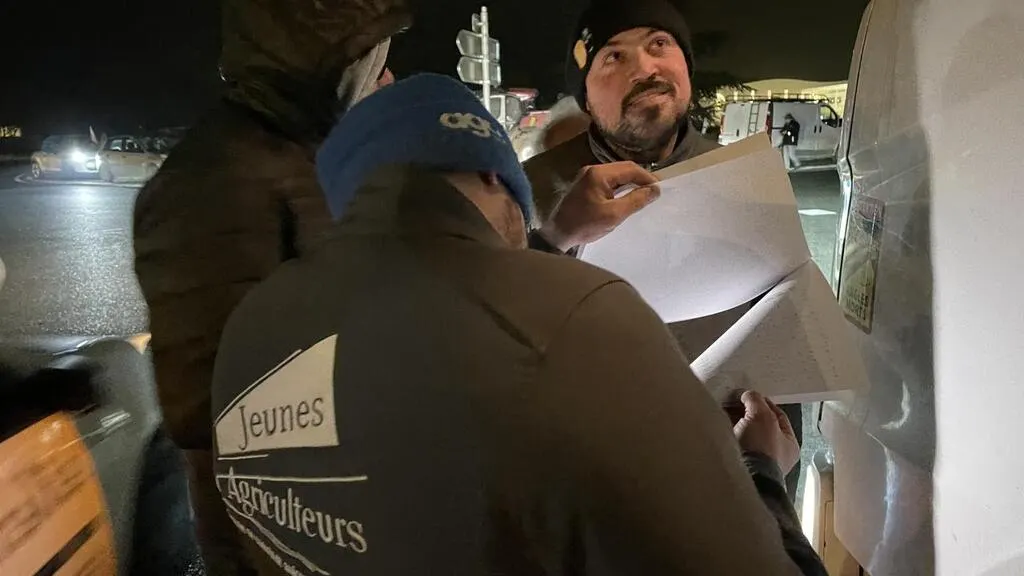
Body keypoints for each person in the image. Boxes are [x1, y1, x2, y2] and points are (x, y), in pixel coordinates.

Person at [211, 73, 826, 575]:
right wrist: (762, 471)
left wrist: (550, 239)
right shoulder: (580, 314)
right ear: (492, 174)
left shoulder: (252, 325)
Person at [132, 0, 412, 573]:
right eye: (372, 55)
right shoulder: (219, 175)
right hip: (289, 532)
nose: (387, 77)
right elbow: (222, 416)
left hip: (334, 509)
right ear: (326, 60)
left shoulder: (304, 155)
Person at [523, 0, 805, 496]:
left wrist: (774, 471)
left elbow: (781, 331)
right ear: (585, 96)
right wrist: (553, 238)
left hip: (730, 460)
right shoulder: (528, 190)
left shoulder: (747, 178)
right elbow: (492, 339)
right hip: (593, 472)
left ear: (686, 68)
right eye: (614, 56)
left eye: (659, 44)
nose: (645, 68)